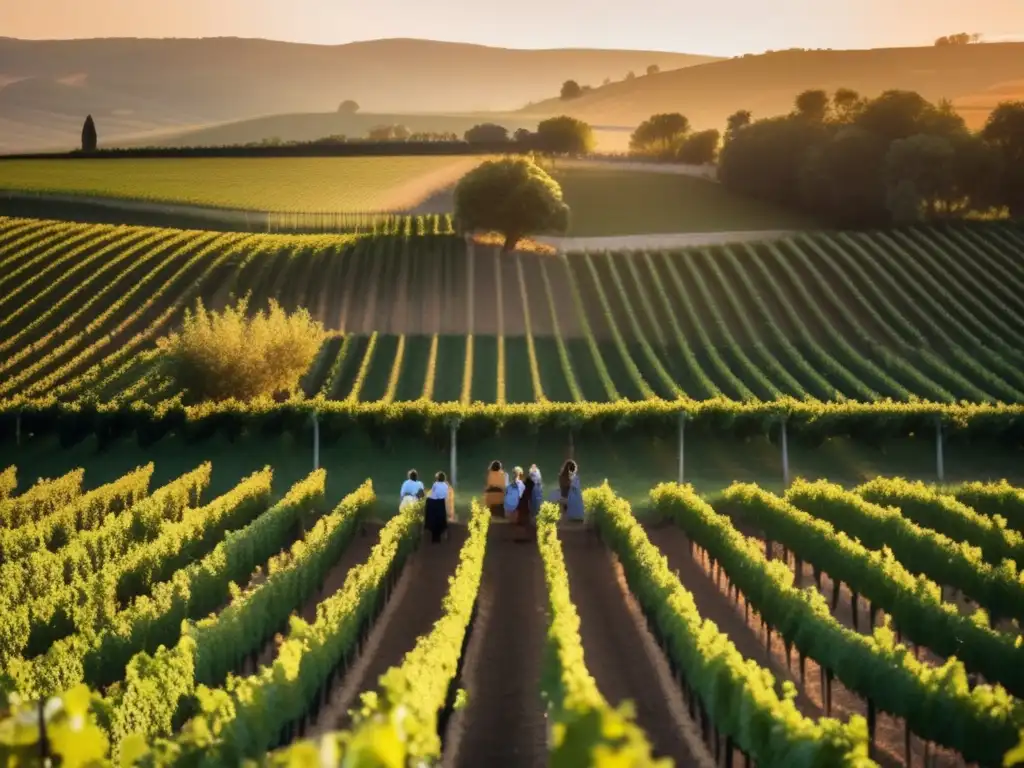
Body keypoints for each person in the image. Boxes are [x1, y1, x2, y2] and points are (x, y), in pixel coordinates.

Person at [424, 471, 450, 543]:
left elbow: (432, 493)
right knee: (441, 518)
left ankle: (427, 524)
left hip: (434, 502)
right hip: (442, 503)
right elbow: (445, 495)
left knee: (430, 514)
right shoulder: (446, 485)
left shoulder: (435, 484)